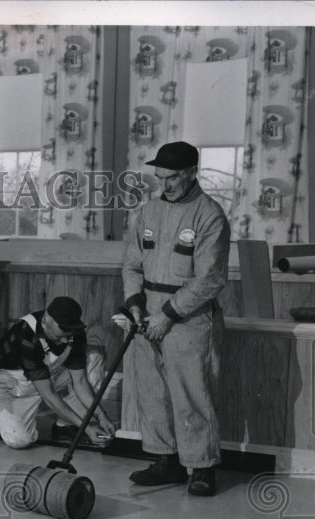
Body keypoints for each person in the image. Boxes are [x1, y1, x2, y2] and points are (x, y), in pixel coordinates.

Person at [119, 140, 230, 496]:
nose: (164, 185)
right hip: (147, 311)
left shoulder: (209, 214)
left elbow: (209, 278)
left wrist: (168, 315)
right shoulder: (148, 212)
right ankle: (164, 459)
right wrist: (135, 303)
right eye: (159, 178)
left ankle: (201, 467)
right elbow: (132, 264)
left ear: (192, 173)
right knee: (152, 391)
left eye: (171, 179)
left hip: (188, 317)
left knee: (191, 391)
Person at [0, 295, 116, 450]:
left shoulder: (73, 332)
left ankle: (65, 427)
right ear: (46, 321)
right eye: (59, 336)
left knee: (94, 359)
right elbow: (50, 395)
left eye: (69, 335)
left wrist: (102, 416)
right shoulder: (25, 336)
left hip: (47, 375)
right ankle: (6, 415)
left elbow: (79, 381)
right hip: (12, 385)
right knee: (19, 440)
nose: (66, 341)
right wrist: (86, 428)